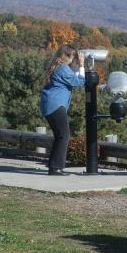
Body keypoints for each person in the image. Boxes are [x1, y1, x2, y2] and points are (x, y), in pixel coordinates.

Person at [39, 44, 86, 176]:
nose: (74, 59)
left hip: (50, 104)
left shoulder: (59, 67)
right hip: (55, 105)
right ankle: (56, 168)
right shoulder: (63, 69)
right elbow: (80, 82)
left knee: (60, 136)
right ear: (68, 56)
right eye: (73, 56)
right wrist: (82, 64)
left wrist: (78, 66)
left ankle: (53, 166)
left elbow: (73, 77)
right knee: (64, 135)